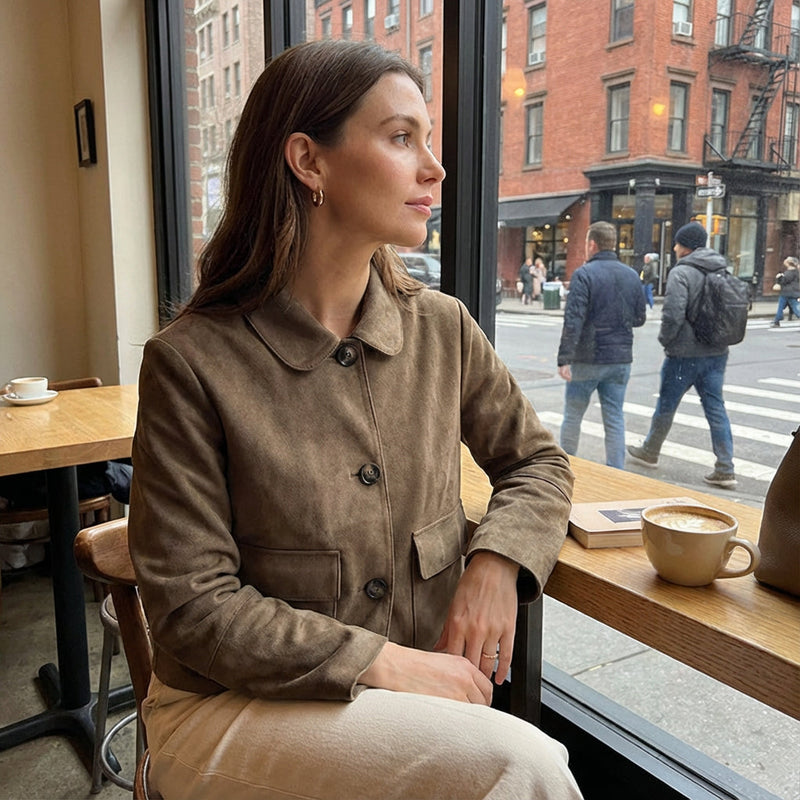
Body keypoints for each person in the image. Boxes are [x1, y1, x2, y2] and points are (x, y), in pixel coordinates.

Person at [127, 40, 582, 800]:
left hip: (412, 702)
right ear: (309, 161)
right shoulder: (191, 362)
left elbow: (536, 461)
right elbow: (194, 608)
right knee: (521, 767)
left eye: (428, 140)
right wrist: (385, 662)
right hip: (229, 705)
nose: (436, 169)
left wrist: (497, 562)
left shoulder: (442, 328)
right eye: (402, 137)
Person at [627, 221, 737, 488]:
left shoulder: (681, 272)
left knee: (666, 404)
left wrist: (666, 340)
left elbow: (673, 314)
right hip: (716, 352)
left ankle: (650, 451)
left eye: (677, 243)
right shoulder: (722, 269)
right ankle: (725, 466)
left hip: (684, 354)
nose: (674, 248)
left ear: (686, 246)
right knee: (715, 407)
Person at [556, 221, 646, 470]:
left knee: (573, 415)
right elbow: (639, 318)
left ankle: (565, 467)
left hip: (588, 358)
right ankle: (617, 470)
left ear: (592, 244)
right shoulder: (631, 275)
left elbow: (574, 320)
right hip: (620, 359)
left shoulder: (584, 275)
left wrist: (564, 358)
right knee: (614, 417)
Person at [770, 256, 800, 327]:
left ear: (788, 263)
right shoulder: (796, 272)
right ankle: (777, 320)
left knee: (782, 307)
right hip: (794, 292)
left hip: (787, 293)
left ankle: (777, 320)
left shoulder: (789, 272)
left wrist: (779, 277)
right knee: (795, 307)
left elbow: (784, 281)